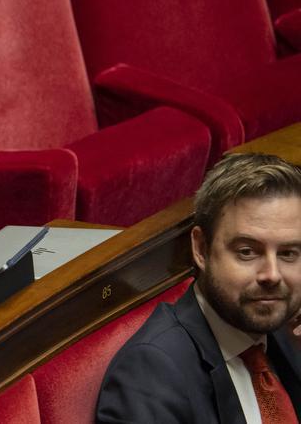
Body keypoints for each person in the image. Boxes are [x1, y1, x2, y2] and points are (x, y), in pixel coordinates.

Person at [96, 153, 301, 423]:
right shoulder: (150, 375)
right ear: (201, 249)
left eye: (288, 254)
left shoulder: (283, 329)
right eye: (247, 252)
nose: (272, 275)